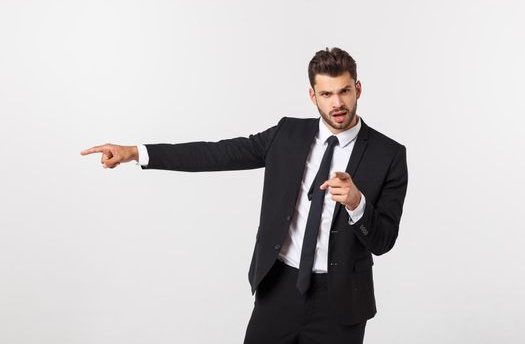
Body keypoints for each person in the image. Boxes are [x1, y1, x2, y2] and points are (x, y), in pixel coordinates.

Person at [80, 47, 408, 344]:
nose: (337, 103)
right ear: (313, 96)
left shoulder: (388, 155)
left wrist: (356, 203)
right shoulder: (287, 134)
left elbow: (383, 241)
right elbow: (216, 154)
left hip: (341, 304)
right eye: (327, 94)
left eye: (344, 92)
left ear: (358, 89)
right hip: (280, 289)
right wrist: (136, 152)